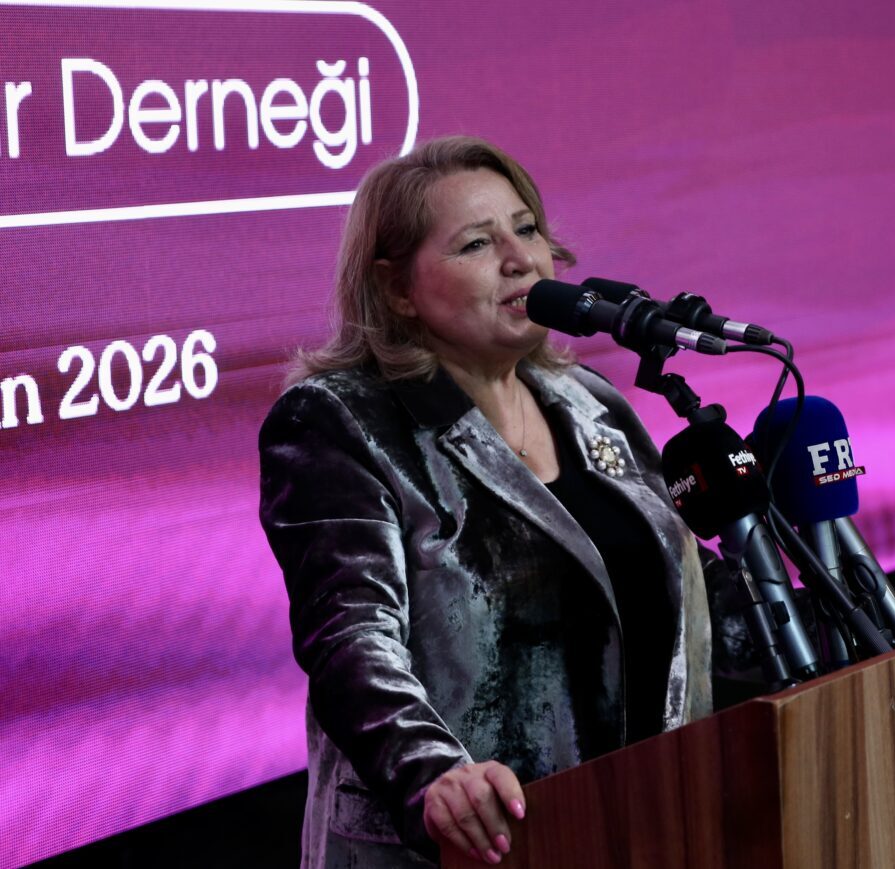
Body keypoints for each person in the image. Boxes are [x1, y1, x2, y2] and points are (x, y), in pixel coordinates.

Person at [258, 136, 715, 868]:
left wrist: (827, 623)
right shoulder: (339, 420)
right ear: (397, 289)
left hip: (635, 825)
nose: (520, 259)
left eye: (526, 229)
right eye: (476, 243)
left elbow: (679, 585)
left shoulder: (590, 401)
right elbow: (351, 638)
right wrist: (432, 773)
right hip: (468, 845)